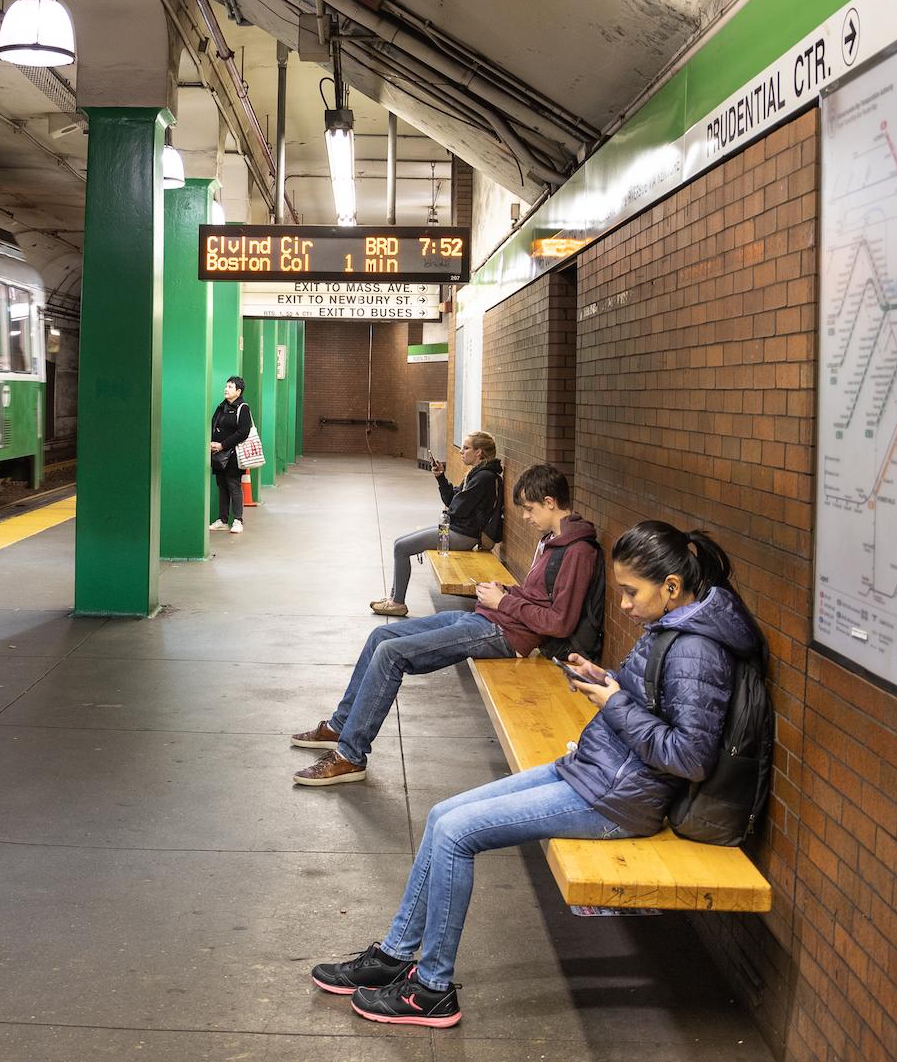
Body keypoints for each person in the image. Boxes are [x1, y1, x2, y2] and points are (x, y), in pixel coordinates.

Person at [308, 521, 762, 1027]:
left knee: (457, 834)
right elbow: (658, 707)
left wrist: (614, 703)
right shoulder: (677, 628)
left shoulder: (699, 649)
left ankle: (432, 989)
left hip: (617, 800)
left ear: (672, 587)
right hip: (596, 771)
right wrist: (607, 680)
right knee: (442, 816)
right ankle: (396, 955)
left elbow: (689, 756)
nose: (626, 605)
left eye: (633, 592)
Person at [290, 463, 599, 786]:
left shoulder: (577, 552)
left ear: (551, 503)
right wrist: (504, 593)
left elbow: (559, 623)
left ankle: (350, 755)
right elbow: (538, 598)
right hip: (490, 618)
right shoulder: (554, 540)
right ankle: (342, 724)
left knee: (391, 654)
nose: (524, 517)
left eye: (530, 509)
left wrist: (505, 602)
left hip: (505, 635)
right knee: (381, 634)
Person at [369, 431, 504, 617]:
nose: (461, 452)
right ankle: (393, 597)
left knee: (401, 547)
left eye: (466, 448)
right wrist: (441, 477)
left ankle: (397, 603)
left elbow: (457, 508)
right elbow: (452, 500)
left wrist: (453, 505)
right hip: (455, 529)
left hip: (463, 536)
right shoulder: (476, 474)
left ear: (479, 452)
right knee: (399, 542)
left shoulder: (485, 478)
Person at [209, 376, 253, 533]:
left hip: (234, 455)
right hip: (219, 455)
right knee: (222, 487)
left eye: (230, 387)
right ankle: (222, 519)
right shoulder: (221, 407)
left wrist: (222, 445)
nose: (226, 389)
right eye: (226, 386)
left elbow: (243, 432)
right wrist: (212, 443)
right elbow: (214, 425)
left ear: (238, 391)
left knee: (234, 485)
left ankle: (238, 520)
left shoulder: (243, 408)